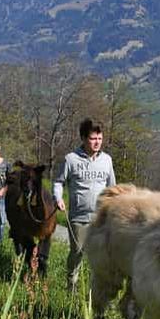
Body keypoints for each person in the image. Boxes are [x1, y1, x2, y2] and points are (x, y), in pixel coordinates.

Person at [53, 119, 116, 291]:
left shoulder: (107, 160)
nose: (97, 142)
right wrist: (58, 198)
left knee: (102, 255)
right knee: (78, 252)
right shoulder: (71, 159)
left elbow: (112, 188)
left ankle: (97, 290)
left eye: (100, 138)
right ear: (83, 138)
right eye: (93, 138)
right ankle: (71, 283)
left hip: (101, 218)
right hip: (78, 217)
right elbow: (58, 182)